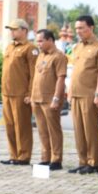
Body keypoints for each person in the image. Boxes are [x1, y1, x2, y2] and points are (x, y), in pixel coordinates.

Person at [68, 15, 98, 174]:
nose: (78, 31)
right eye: (76, 28)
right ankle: (82, 160)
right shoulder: (77, 47)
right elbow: (75, 71)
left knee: (91, 129)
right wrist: (69, 90)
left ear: (91, 28)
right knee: (78, 129)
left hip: (89, 93)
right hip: (76, 94)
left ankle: (93, 162)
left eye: (82, 28)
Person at [0, 19, 37, 166]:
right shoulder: (9, 47)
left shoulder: (31, 48)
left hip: (21, 94)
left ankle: (24, 156)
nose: (12, 32)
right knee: (9, 125)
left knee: (22, 126)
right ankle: (13, 155)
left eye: (15, 29)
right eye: (11, 29)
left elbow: (34, 73)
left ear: (24, 31)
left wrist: (30, 93)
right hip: (7, 93)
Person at [31, 29, 68, 170]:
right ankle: (45, 158)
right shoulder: (40, 56)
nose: (38, 44)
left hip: (50, 99)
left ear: (50, 40)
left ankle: (56, 159)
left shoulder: (59, 56)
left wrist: (56, 98)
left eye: (41, 41)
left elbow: (61, 79)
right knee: (42, 130)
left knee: (54, 130)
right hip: (37, 99)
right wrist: (31, 96)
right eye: (37, 41)